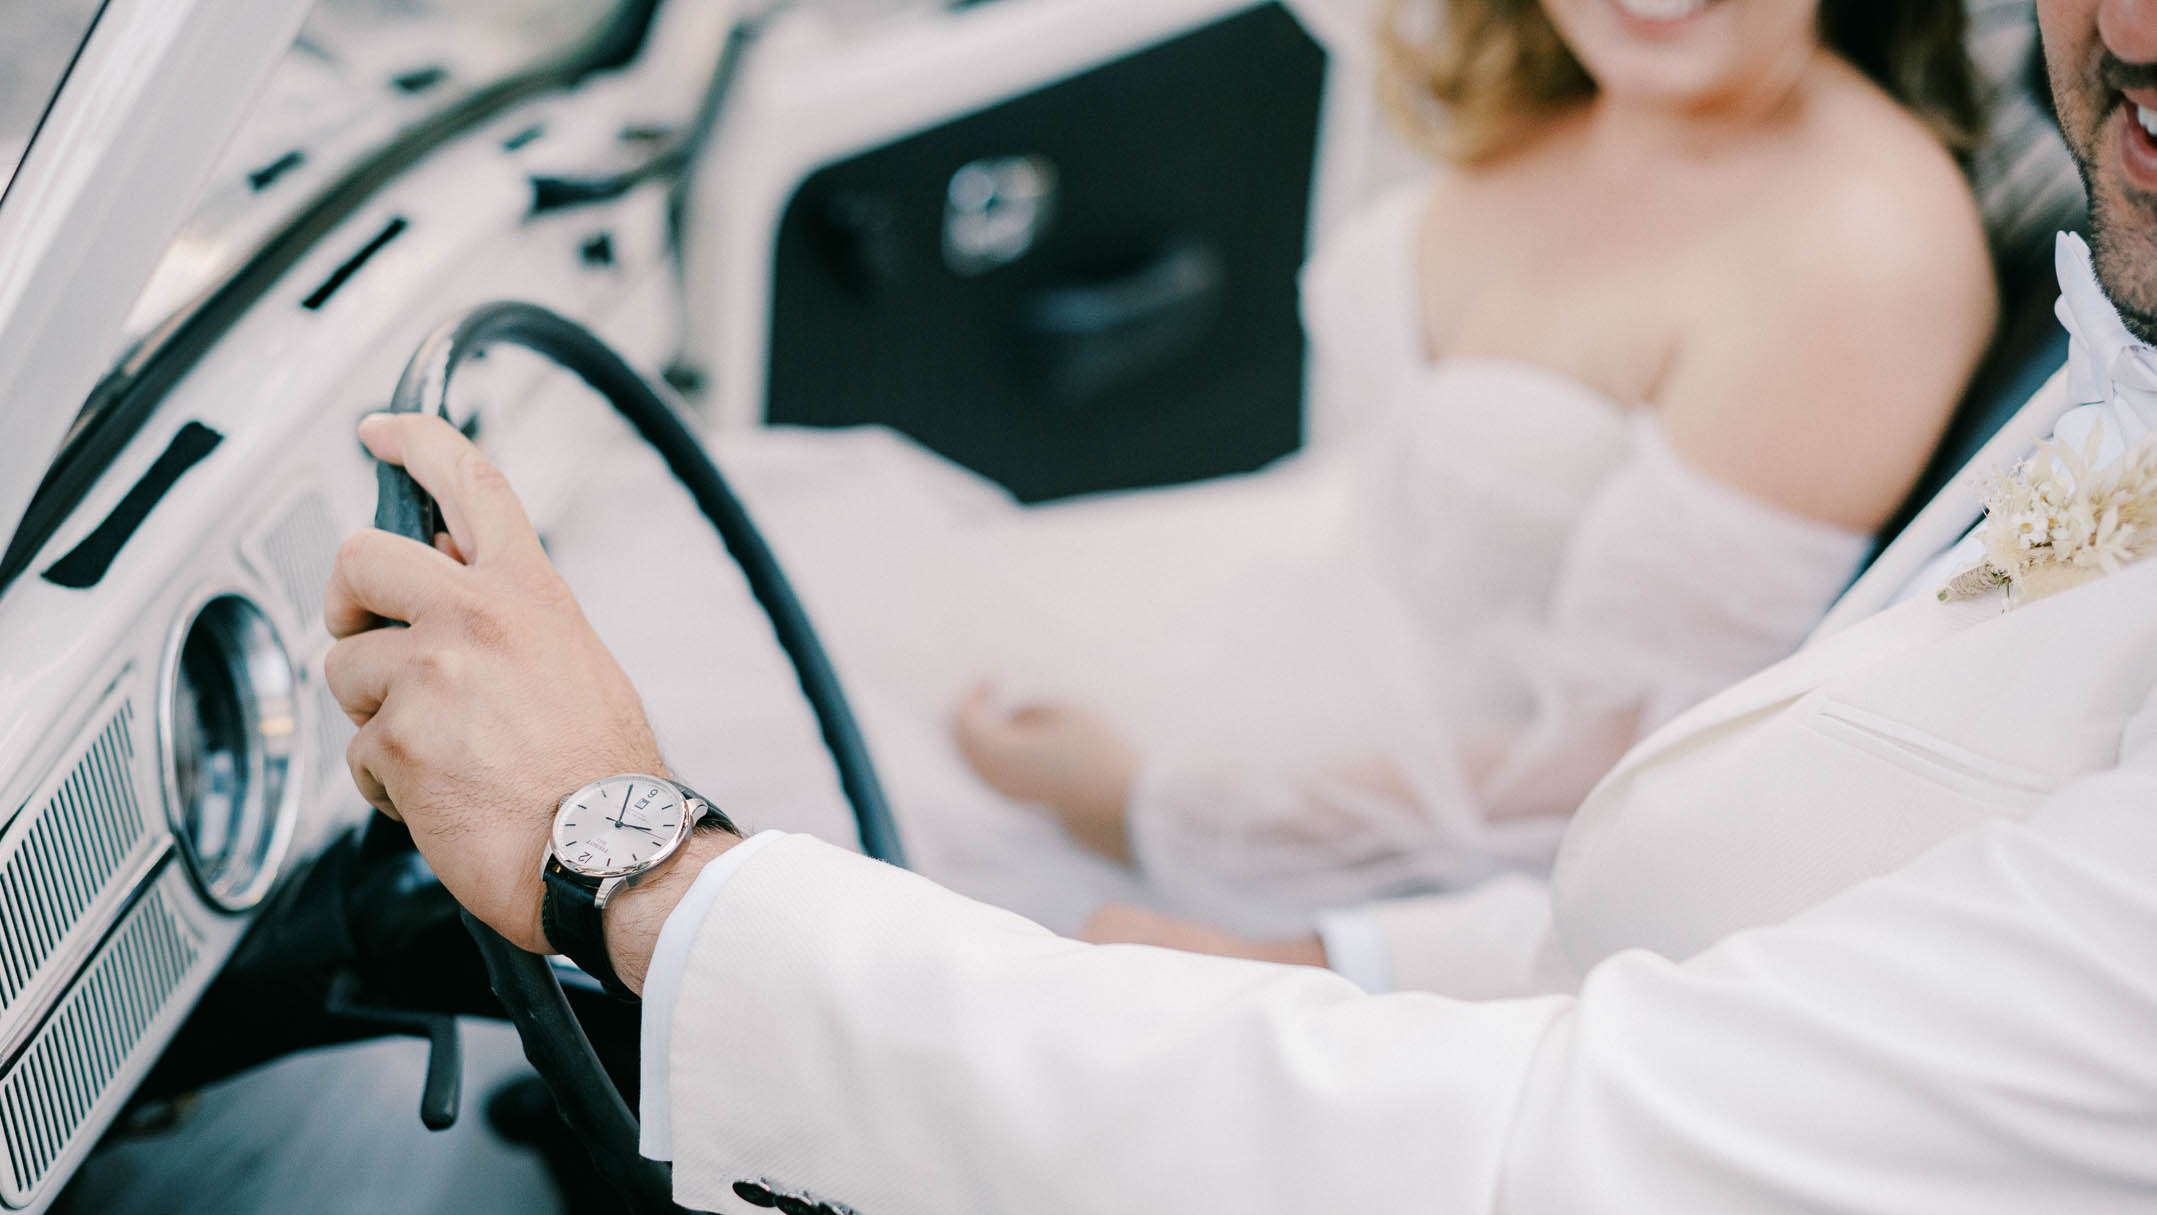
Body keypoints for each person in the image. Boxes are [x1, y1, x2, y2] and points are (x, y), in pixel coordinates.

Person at [320, 0, 2157, 1215]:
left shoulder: (1869, 242)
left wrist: (640, 867)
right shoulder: (2110, 379)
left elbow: (1528, 1186)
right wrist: (1332, 952)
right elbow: (1749, 877)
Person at [697, 0, 1996, 943]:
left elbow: (1637, 768)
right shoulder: (1544, 71)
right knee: (740, 610)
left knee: (771, 797)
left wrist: (1147, 802)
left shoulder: (1860, 252)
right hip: (1280, 589)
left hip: (1386, 831)